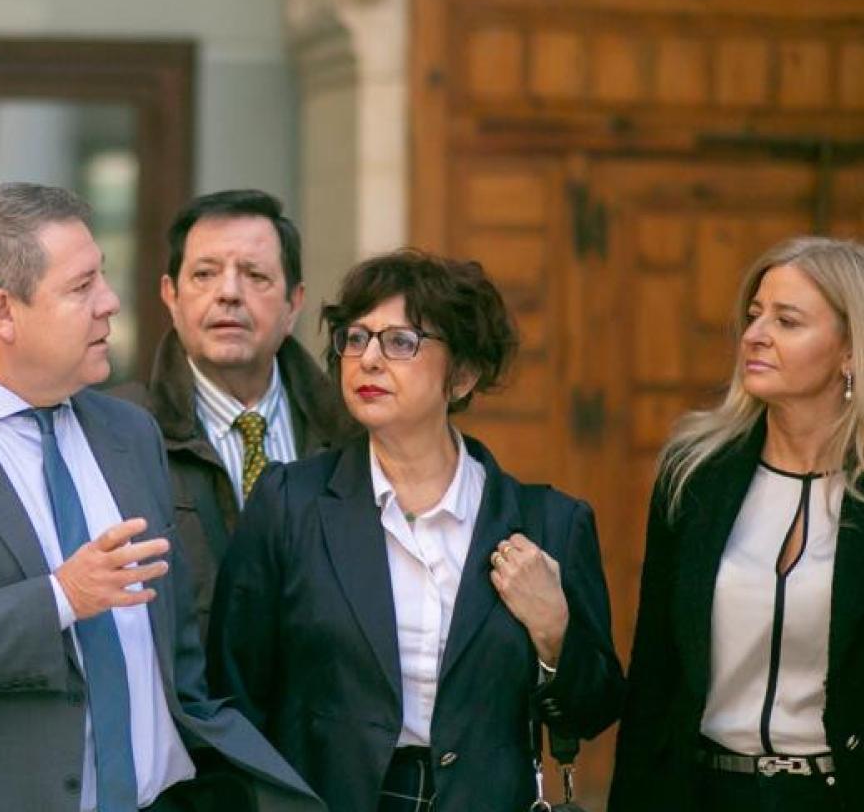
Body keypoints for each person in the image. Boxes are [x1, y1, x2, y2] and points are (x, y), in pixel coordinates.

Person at [0, 183, 322, 812]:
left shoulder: (129, 430)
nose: (110, 303)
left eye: (102, 280)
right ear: (3, 312)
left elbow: (175, 651)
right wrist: (61, 597)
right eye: (82, 287)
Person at [210, 248, 622, 812]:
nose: (368, 360)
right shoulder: (291, 504)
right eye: (356, 338)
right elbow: (234, 692)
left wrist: (553, 632)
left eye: (400, 342)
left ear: (464, 375)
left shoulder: (549, 522)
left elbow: (592, 710)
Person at [611, 236, 864, 811]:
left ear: (850, 351)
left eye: (787, 320)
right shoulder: (696, 474)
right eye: (754, 316)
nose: (754, 335)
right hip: (702, 791)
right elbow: (654, 674)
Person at [119, 189, 353, 631]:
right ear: (170, 296)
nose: (228, 293)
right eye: (204, 274)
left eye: (255, 276)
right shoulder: (120, 431)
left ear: (294, 303)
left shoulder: (352, 431)